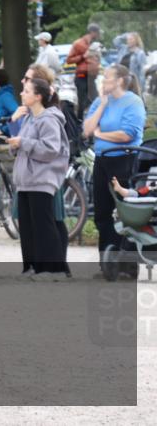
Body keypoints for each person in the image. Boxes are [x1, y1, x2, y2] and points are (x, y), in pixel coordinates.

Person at [82, 64, 147, 277]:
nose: (103, 81)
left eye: (107, 78)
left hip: (124, 160)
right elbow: (87, 130)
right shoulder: (101, 101)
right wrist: (101, 105)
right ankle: (107, 263)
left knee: (126, 213)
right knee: (102, 212)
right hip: (102, 160)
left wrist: (100, 135)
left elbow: (127, 134)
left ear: (119, 80)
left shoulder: (133, 102)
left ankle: (127, 265)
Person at [7, 77, 71, 279]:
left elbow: (51, 150)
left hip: (42, 180)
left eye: (26, 91)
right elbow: (21, 145)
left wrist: (23, 143)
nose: (21, 93)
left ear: (38, 96)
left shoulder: (49, 119)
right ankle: (32, 266)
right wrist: (15, 143)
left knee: (44, 226)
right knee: (27, 227)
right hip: (25, 180)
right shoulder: (29, 119)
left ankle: (53, 269)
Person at [66, 23, 101, 119]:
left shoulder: (94, 45)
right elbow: (69, 60)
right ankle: (79, 121)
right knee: (83, 101)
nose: (99, 35)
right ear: (93, 33)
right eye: (98, 33)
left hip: (91, 77)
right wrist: (83, 56)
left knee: (95, 99)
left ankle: (92, 120)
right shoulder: (79, 44)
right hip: (82, 76)